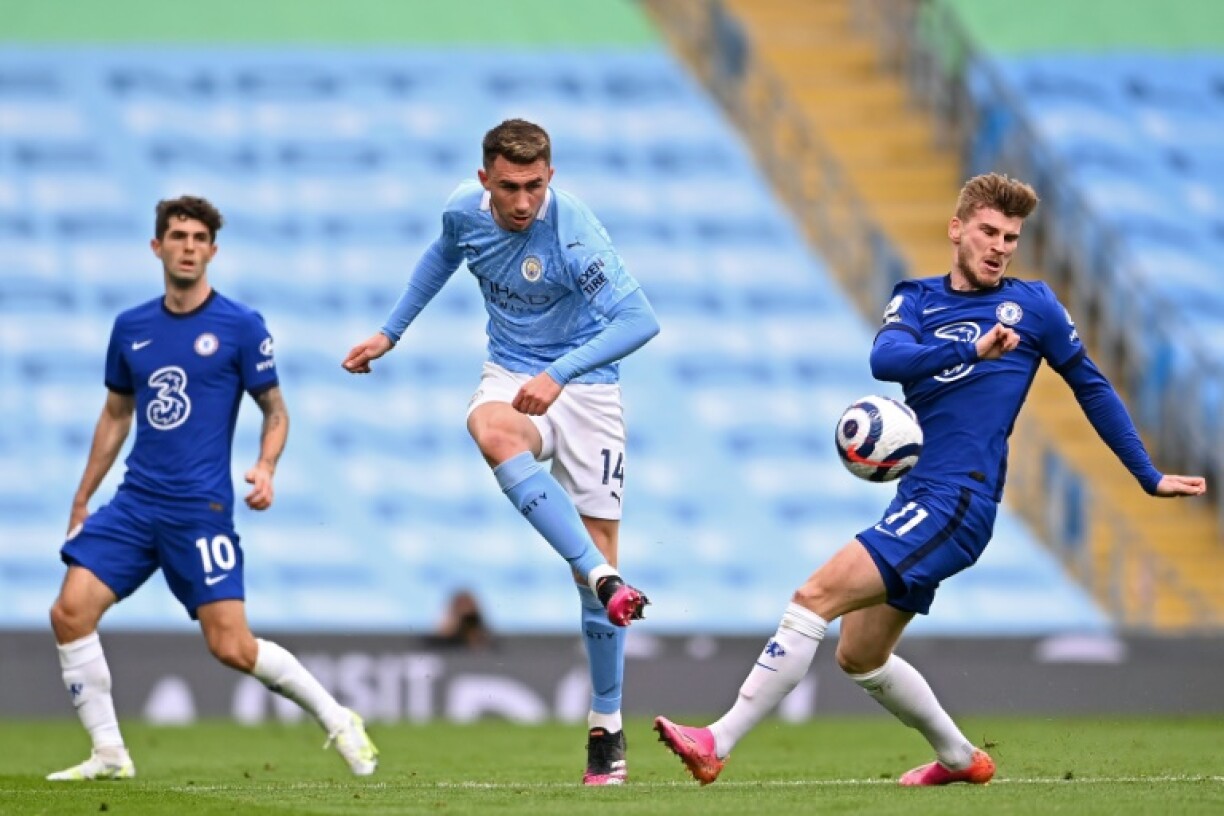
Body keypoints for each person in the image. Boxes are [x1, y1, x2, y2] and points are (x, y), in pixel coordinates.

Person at [654, 173, 1207, 786]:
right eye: (989, 232)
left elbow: (1091, 387)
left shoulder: (1035, 307)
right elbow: (885, 360)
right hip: (919, 494)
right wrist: (973, 351)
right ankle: (961, 759)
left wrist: (1147, 475)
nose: (1000, 247)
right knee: (859, 655)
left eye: (1011, 238)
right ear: (957, 229)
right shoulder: (916, 299)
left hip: (961, 498)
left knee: (814, 596)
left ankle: (717, 739)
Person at [343, 118, 659, 785]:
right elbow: (440, 256)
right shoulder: (464, 211)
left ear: (551, 177)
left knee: (591, 574)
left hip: (587, 384)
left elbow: (640, 321)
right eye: (510, 187)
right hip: (513, 370)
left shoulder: (573, 231)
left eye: (535, 187)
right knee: (489, 429)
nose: (523, 203)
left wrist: (561, 375)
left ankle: (606, 726)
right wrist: (389, 332)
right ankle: (603, 576)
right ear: (485, 179)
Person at [47, 196, 379, 781]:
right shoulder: (131, 328)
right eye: (178, 236)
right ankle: (109, 754)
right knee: (70, 612)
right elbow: (115, 415)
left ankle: (337, 718)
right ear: (158, 247)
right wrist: (82, 497)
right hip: (134, 504)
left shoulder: (240, 326)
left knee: (231, 646)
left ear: (213, 250)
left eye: (200, 237)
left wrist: (266, 467)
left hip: (199, 510)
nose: (189, 246)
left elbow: (275, 411)